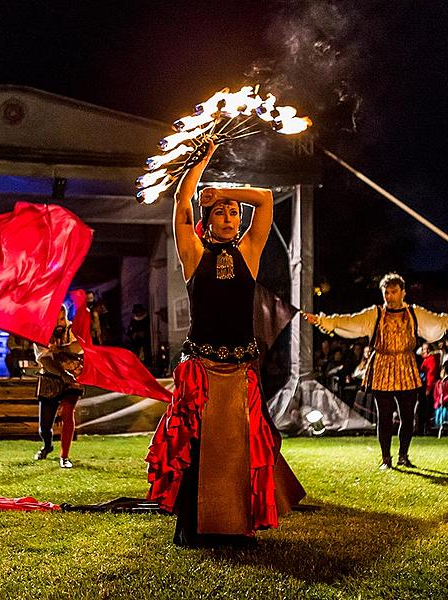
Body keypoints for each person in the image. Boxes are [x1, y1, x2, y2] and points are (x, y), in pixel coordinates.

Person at [146, 140, 303, 547]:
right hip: (201, 372)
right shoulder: (193, 254)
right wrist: (199, 168)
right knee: (196, 452)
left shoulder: (249, 252)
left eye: (234, 212)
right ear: (208, 219)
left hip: (239, 373)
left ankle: (239, 526)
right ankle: (194, 527)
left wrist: (226, 191)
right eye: (221, 211)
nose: (231, 216)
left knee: (242, 451)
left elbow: (265, 200)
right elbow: (182, 198)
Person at [303, 273, 448, 470]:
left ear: (403, 292)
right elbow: (350, 321)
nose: (389, 296)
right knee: (384, 416)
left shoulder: (414, 313)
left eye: (393, 292)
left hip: (406, 367)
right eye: (386, 292)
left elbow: (441, 320)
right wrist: (324, 322)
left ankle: (403, 455)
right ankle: (385, 459)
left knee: (408, 416)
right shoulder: (376, 314)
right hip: (382, 366)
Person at [34, 306, 84, 468]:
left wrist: (61, 350)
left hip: (72, 376)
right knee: (44, 427)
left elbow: (79, 347)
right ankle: (47, 446)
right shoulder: (40, 332)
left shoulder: (72, 329)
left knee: (68, 412)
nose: (59, 323)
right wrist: (63, 374)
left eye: (62, 319)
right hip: (50, 378)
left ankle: (65, 456)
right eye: (55, 320)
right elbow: (46, 360)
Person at [433, 360, 448, 430]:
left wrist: (445, 399)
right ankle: (438, 427)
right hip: (439, 404)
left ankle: (447, 428)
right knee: (438, 414)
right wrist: (438, 400)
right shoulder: (438, 383)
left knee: (445, 414)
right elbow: (435, 394)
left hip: (447, 404)